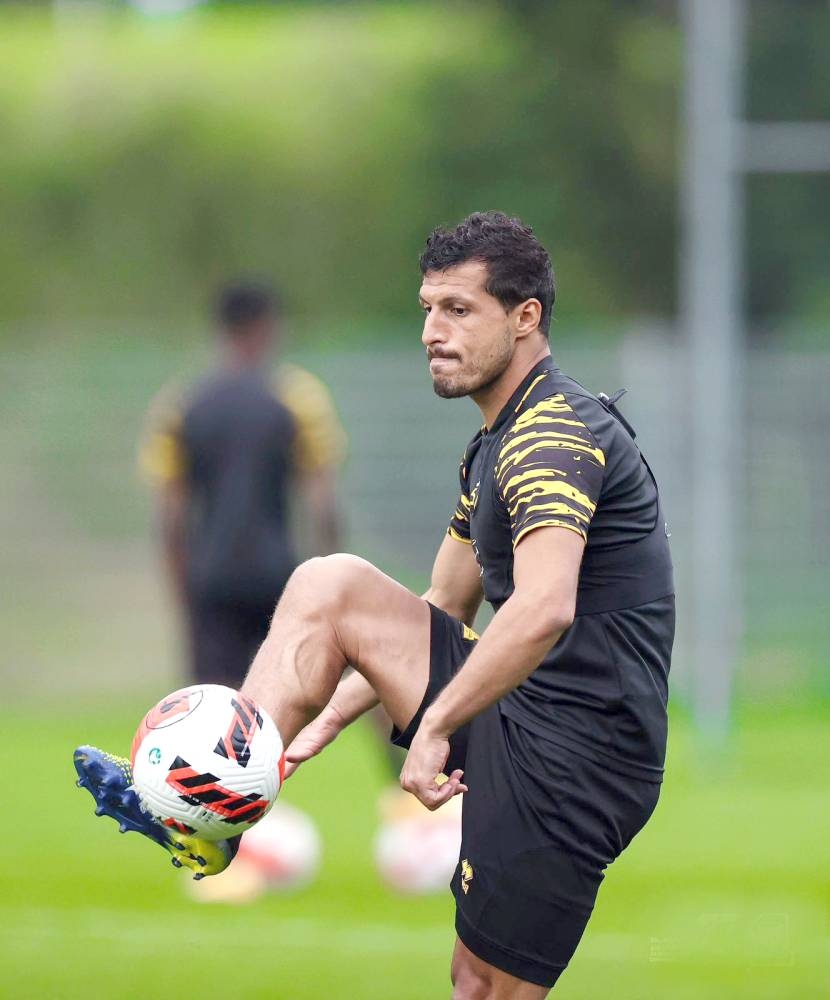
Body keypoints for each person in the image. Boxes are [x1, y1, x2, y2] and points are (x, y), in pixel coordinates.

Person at [76, 213, 674, 997]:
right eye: (428, 309)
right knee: (330, 586)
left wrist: (436, 726)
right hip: (529, 717)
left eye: (458, 310)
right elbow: (443, 605)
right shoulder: (496, 442)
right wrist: (325, 719)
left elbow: (544, 608)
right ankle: (210, 799)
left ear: (525, 316)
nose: (432, 332)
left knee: (486, 989)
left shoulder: (550, 439)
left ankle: (206, 803)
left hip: (581, 755)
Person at [138, 281, 346, 689]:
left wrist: (184, 598)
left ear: (221, 330)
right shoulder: (298, 399)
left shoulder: (182, 404)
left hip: (211, 580)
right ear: (266, 327)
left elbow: (171, 518)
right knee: (283, 701)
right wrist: (328, 581)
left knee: (216, 705)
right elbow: (323, 505)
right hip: (277, 577)